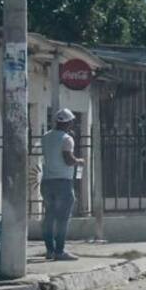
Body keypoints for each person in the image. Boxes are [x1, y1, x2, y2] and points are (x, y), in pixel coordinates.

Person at [41, 109, 85, 261]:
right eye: (72, 121)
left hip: (46, 181)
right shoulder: (67, 139)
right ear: (68, 123)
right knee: (62, 219)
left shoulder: (45, 136)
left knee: (49, 217)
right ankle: (59, 251)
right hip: (63, 182)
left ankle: (50, 250)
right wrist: (79, 161)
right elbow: (68, 159)